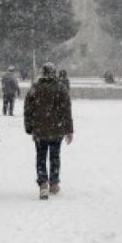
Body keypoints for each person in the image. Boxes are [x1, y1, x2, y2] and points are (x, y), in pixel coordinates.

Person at [24, 62, 74, 200]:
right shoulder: (61, 88)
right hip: (56, 129)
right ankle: (54, 182)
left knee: (40, 156)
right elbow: (66, 110)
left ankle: (43, 183)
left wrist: (29, 127)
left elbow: (28, 109)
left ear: (42, 72)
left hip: (39, 129)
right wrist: (69, 130)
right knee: (55, 156)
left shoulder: (35, 88)